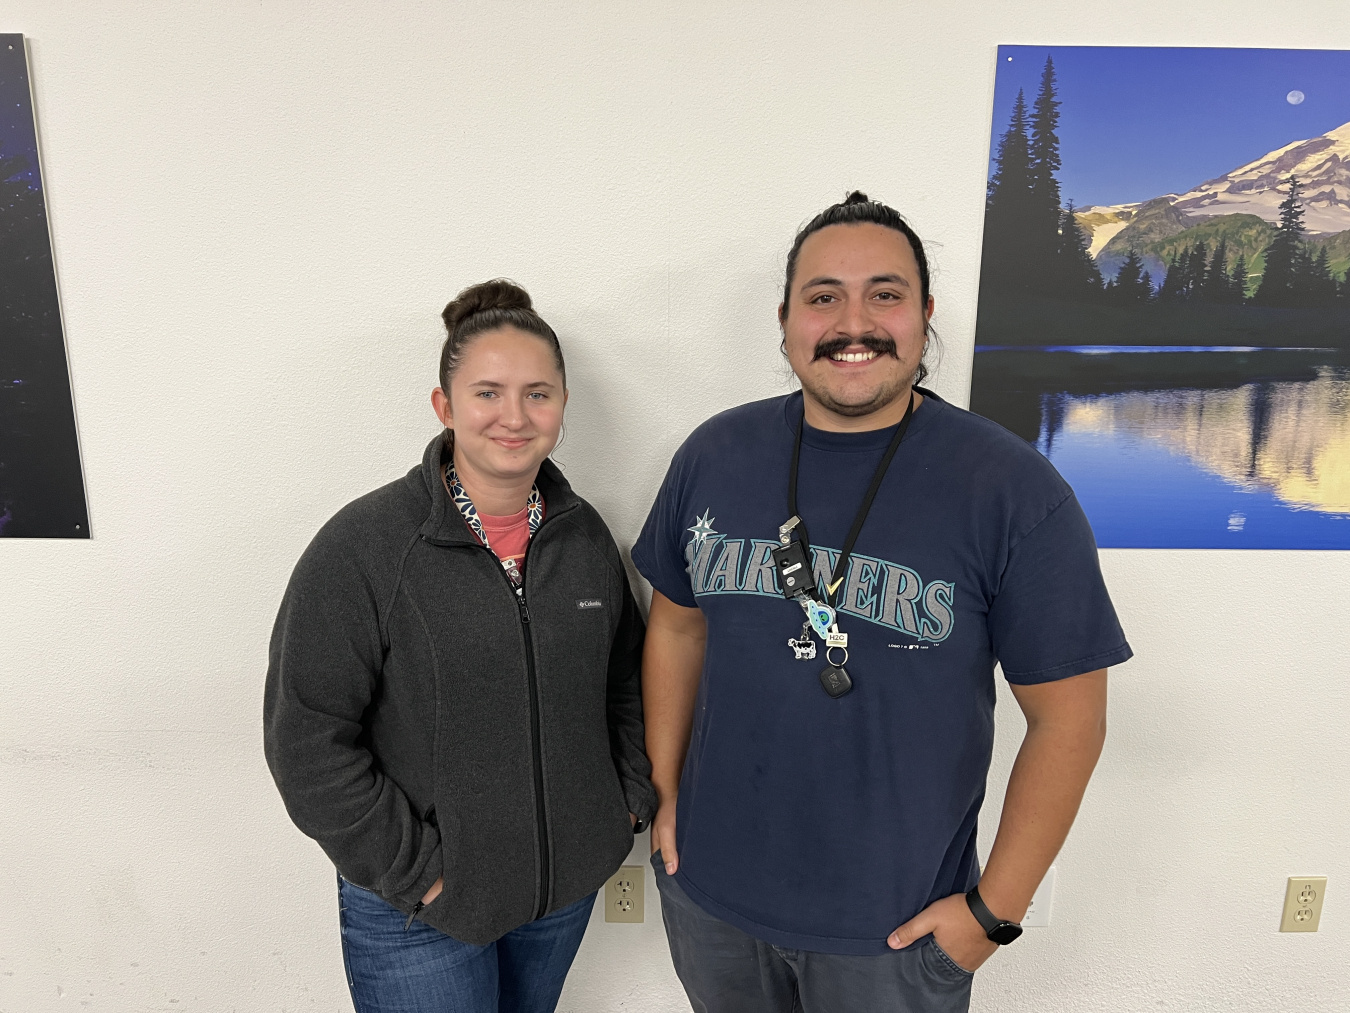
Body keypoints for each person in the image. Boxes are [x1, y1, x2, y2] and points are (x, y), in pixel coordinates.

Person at [634, 192, 1132, 1012]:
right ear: (787, 320)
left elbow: (1070, 719)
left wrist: (993, 913)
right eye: (823, 296)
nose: (853, 323)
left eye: (886, 294)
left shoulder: (1010, 488)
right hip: (711, 900)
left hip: (895, 933)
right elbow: (678, 627)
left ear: (925, 315)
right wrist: (664, 797)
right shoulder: (714, 453)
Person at [264, 279, 656, 1013]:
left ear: (563, 406)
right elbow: (307, 739)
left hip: (559, 894)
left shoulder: (584, 538)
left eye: (538, 394)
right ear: (444, 406)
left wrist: (624, 801)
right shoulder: (365, 548)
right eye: (487, 393)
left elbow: (626, 680)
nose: (515, 416)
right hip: (419, 912)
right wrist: (418, 871)